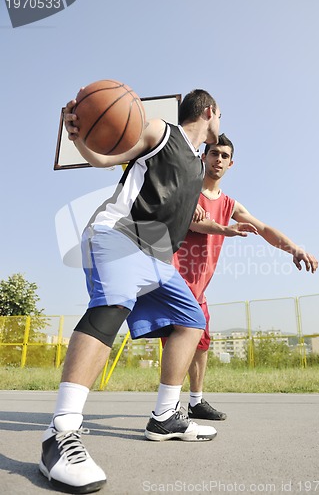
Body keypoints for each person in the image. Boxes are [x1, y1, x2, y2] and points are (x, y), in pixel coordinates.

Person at [39, 89, 222, 494]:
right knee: (111, 307)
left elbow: (180, 207)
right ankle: (60, 432)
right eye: (220, 117)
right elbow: (106, 158)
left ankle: (165, 417)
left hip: (158, 258)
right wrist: (79, 138)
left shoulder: (196, 163)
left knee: (192, 320)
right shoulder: (160, 131)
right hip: (122, 236)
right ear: (210, 112)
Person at [163, 133, 318, 421]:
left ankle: (195, 402)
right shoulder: (186, 190)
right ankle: (167, 407)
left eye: (224, 156)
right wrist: (223, 229)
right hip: (173, 278)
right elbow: (191, 223)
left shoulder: (230, 205)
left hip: (200, 286)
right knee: (180, 338)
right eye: (213, 154)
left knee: (202, 343)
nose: (218, 159)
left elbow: (263, 229)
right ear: (203, 157)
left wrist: (294, 248)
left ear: (231, 163)